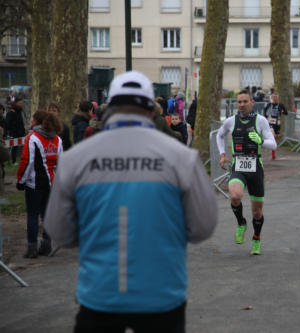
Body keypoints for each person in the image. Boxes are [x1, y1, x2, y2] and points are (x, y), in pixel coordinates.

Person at [44, 71, 217, 332]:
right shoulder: (182, 157)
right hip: (161, 295)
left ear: (109, 108)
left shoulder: (74, 159)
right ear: (151, 110)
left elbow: (59, 232)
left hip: (99, 295)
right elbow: (203, 227)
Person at [217, 90, 276, 255]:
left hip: (256, 167)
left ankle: (256, 238)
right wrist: (222, 154)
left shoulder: (261, 120)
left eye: (244, 102)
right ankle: (241, 223)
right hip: (238, 165)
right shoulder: (230, 121)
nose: (241, 105)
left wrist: (261, 141)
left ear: (252, 103)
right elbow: (219, 136)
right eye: (239, 102)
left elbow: (274, 144)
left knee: (257, 212)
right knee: (235, 196)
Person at [16, 110, 63, 258]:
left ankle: (32, 248)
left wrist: (21, 181)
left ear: (38, 122)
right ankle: (47, 244)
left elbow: (27, 161)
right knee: (47, 215)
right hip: (51, 182)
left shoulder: (33, 138)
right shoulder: (58, 139)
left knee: (32, 215)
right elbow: (61, 162)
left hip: (34, 183)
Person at [263, 92, 288, 160]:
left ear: (278, 98)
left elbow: (286, 113)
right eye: (273, 97)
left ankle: (273, 150)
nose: (274, 99)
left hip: (278, 123)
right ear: (271, 98)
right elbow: (264, 110)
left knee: (276, 137)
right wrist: (265, 116)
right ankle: (273, 154)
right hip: (271, 123)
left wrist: (282, 111)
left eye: (276, 97)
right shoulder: (269, 104)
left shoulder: (280, 105)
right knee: (273, 136)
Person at [5, 96, 26, 165]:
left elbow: (21, 123)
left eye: (21, 103)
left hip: (20, 133)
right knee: (12, 147)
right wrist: (10, 131)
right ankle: (11, 160)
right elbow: (8, 123)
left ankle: (14, 160)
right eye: (19, 103)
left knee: (16, 147)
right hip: (13, 133)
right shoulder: (11, 112)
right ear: (16, 103)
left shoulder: (20, 112)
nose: (21, 104)